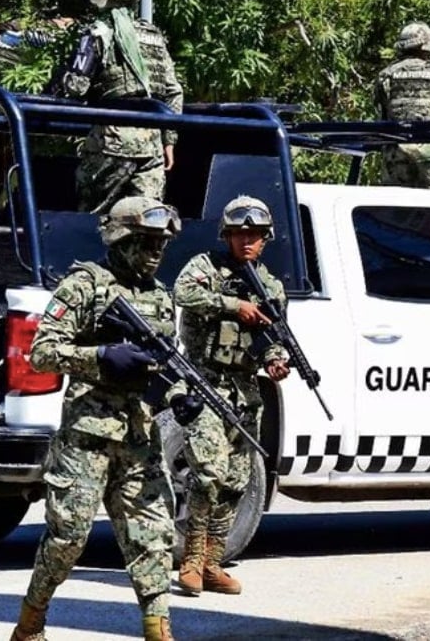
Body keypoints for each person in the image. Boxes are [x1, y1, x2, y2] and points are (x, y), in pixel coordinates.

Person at [10, 197, 186, 641]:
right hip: (87, 439)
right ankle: (30, 623)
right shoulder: (84, 286)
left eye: (161, 244)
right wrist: (102, 356)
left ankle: (158, 629)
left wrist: (180, 394)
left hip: (138, 438)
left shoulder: (161, 299)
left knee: (154, 537)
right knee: (68, 538)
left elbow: (166, 365)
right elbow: (43, 352)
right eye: (146, 242)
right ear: (120, 239)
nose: (155, 253)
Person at [172, 195, 292, 595]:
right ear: (226, 235)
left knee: (236, 482)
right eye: (239, 234)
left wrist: (276, 360)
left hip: (243, 392)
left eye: (254, 235)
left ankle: (212, 562)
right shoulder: (206, 267)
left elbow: (273, 337)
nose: (247, 242)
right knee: (207, 473)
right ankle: (190, 560)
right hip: (205, 382)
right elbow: (182, 293)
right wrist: (232, 304)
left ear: (265, 239)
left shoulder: (271, 287)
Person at [51, 0, 185, 214]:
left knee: (92, 219)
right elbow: (173, 91)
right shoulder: (154, 35)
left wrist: (59, 79)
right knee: (148, 221)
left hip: (111, 142)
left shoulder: (97, 33)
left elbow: (77, 87)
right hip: (152, 143)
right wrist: (169, 141)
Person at [373, 21, 430, 188]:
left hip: (396, 155)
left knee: (394, 207)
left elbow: (381, 113)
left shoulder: (385, 75)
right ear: (425, 47)